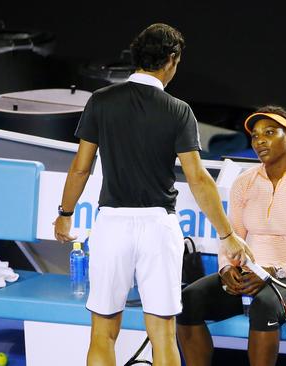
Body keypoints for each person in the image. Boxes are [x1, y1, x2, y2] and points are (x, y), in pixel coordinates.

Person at [53, 23, 252, 366]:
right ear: (172, 60)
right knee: (162, 334)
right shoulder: (178, 110)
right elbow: (200, 180)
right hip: (159, 229)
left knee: (102, 332)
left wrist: (65, 213)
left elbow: (81, 168)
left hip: (112, 227)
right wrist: (228, 234)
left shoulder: (101, 102)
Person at [177, 106, 286, 366]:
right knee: (188, 299)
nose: (260, 140)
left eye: (270, 132)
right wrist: (226, 267)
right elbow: (233, 237)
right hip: (250, 276)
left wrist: (274, 271)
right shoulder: (245, 182)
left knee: (264, 304)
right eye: (255, 136)